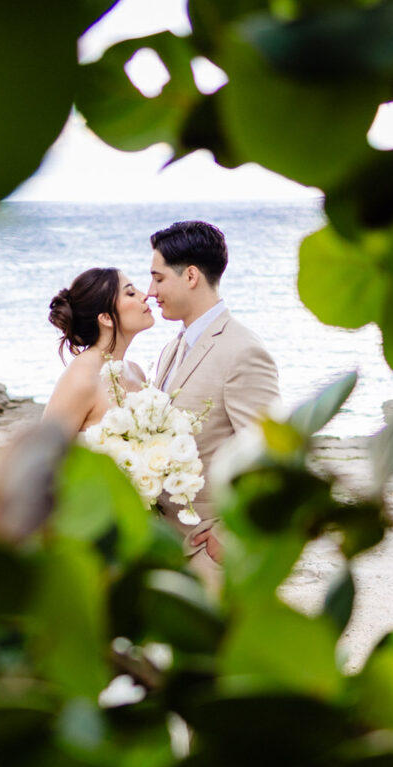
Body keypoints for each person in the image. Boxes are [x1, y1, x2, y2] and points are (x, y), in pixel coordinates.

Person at [147, 220, 281, 564]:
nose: (150, 290)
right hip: (165, 544)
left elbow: (272, 452)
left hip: (210, 548)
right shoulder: (171, 349)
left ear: (190, 276)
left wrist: (231, 530)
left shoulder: (243, 350)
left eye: (158, 278)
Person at [41, 266, 155, 433]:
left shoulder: (136, 371)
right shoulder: (81, 377)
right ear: (106, 318)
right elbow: (44, 451)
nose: (145, 296)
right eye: (130, 293)